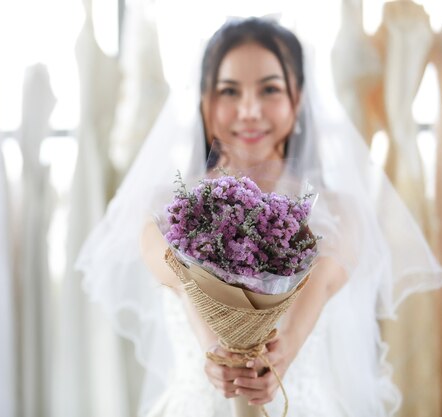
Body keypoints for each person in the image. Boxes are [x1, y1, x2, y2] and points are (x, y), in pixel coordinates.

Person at [76, 17, 442, 417]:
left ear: (297, 100)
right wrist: (215, 351)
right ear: (204, 103)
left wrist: (282, 355)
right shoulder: (164, 207)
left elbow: (319, 284)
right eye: (229, 91)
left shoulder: (339, 210)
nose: (249, 110)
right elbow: (182, 281)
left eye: (269, 89)